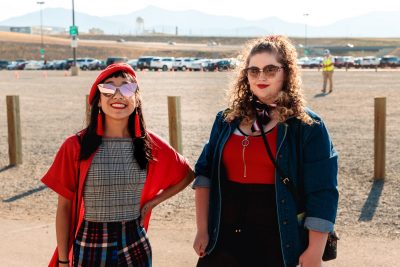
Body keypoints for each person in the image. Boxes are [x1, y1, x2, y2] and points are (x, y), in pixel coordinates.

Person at [192, 35, 338, 267]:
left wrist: (314, 251)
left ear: (287, 73)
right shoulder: (225, 120)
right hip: (224, 236)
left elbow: (323, 192)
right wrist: (202, 230)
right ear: (245, 75)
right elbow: (204, 175)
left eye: (270, 69)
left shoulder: (308, 126)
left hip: (279, 238)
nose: (261, 77)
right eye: (254, 70)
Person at [41, 63, 194, 267]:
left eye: (127, 87)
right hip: (90, 243)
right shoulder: (76, 146)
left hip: (135, 243)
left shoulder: (148, 144)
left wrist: (152, 203)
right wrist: (62, 260)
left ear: (136, 99)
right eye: (109, 88)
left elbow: (187, 174)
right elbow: (64, 208)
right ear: (98, 100)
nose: (118, 95)